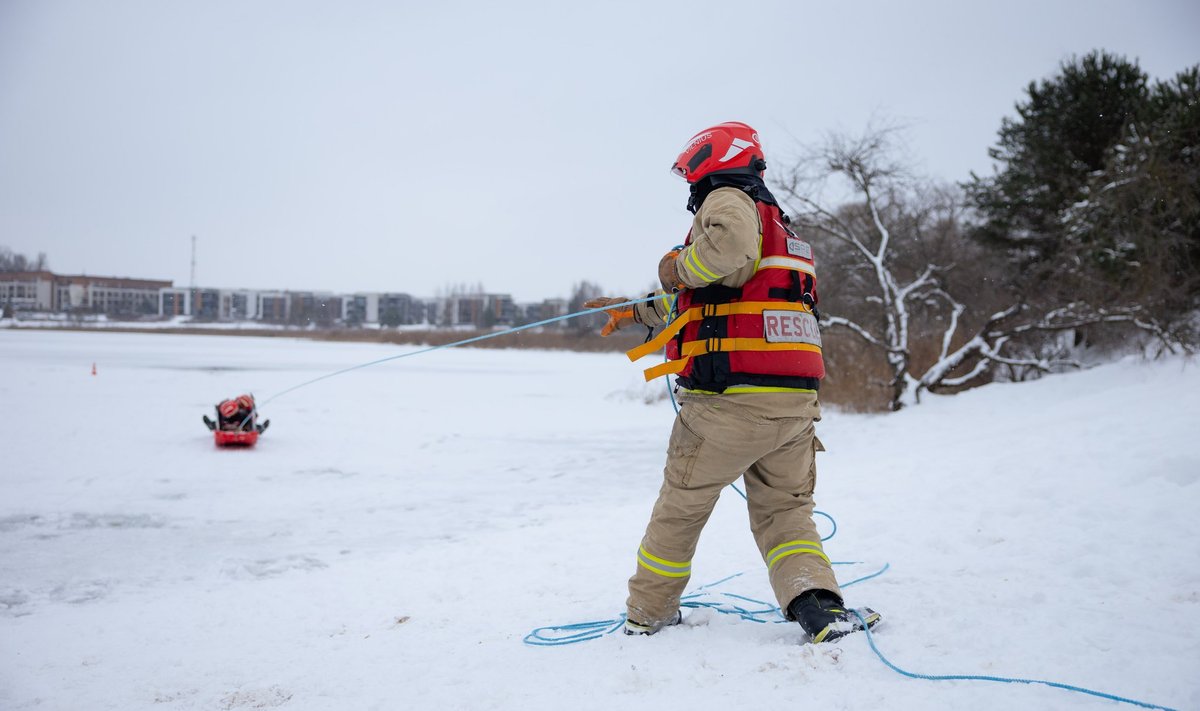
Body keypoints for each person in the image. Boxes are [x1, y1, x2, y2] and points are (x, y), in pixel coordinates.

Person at [584, 121, 880, 643]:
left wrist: (675, 266)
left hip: (727, 405)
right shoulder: (777, 226)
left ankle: (648, 614)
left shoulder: (726, 201)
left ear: (713, 161)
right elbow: (712, 300)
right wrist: (632, 312)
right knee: (786, 513)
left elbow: (721, 256)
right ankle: (819, 608)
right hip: (790, 407)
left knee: (681, 507)